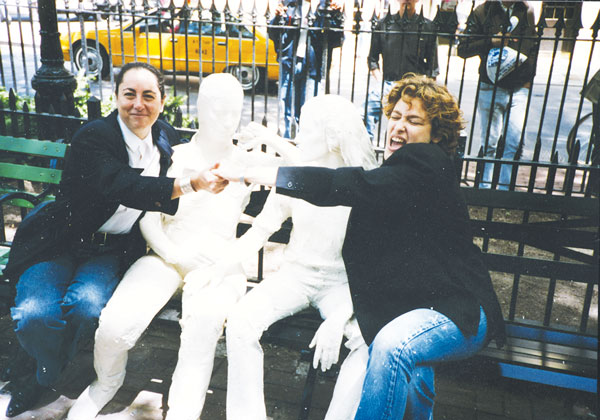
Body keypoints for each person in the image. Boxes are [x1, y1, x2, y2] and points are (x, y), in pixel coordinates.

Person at [215, 73, 506, 419]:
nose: (398, 126)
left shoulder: (425, 164)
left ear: (436, 135)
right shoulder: (399, 169)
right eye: (395, 116)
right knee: (410, 370)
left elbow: (345, 183)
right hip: (418, 305)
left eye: (413, 121)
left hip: (458, 311)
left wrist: (257, 173)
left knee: (391, 346)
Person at [1, 62, 227, 418]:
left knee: (87, 307)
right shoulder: (94, 137)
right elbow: (122, 184)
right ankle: (43, 374)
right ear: (116, 97)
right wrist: (190, 183)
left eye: (148, 95)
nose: (138, 104)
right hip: (60, 242)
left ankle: (49, 369)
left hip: (111, 249)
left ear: (162, 101)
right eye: (130, 94)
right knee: (35, 315)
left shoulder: (165, 137)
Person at [66, 73, 291, 420]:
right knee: (116, 324)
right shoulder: (174, 154)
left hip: (219, 263)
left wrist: (269, 137)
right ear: (200, 108)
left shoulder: (247, 161)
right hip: (166, 254)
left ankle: (183, 413)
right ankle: (105, 383)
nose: (227, 118)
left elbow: (308, 169)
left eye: (234, 110)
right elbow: (147, 216)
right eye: (218, 109)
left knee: (202, 325)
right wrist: (174, 253)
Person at [224, 94, 378, 420]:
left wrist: (340, 318)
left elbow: (373, 267)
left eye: (305, 129)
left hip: (341, 286)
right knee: (240, 322)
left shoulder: (363, 183)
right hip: (293, 278)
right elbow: (261, 230)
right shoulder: (295, 176)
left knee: (368, 343)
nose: (299, 136)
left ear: (332, 135)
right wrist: (220, 265)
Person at [457, 1, 538, 190]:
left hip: (519, 87)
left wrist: (528, 81)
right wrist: (490, 42)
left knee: (513, 142)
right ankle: (485, 188)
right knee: (490, 142)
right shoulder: (483, 11)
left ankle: (504, 188)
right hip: (490, 86)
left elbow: (533, 46)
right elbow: (463, 48)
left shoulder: (526, 11)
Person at [365, 0, 439, 141]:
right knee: (364, 113)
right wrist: (380, 81)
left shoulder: (427, 26)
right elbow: (372, 59)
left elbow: (432, 68)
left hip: (414, 88)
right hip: (387, 84)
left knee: (407, 127)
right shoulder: (384, 24)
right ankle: (367, 151)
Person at [269, 0, 344, 138]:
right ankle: (288, 143)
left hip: (313, 66)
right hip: (289, 63)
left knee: (309, 112)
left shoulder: (326, 6)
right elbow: (274, 34)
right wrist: (277, 18)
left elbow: (336, 40)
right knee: (287, 110)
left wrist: (336, 16)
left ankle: (304, 147)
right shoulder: (290, 4)